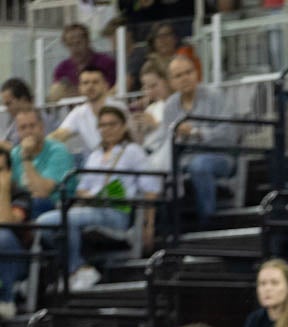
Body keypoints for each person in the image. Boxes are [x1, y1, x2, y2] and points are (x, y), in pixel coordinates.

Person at [34, 103, 156, 294]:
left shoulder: (133, 151)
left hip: (117, 211)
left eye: (112, 124)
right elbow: (82, 188)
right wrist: (88, 196)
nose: (107, 129)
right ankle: (79, 267)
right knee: (47, 224)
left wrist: (149, 225)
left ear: (123, 126)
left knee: (57, 220)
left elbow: (151, 189)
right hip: (91, 207)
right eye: (103, 125)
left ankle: (76, 269)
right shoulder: (95, 155)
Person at [159, 54, 237, 223]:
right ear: (171, 82)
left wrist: (197, 133)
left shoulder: (215, 96)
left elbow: (229, 134)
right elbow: (164, 140)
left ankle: (207, 221)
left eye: (188, 72)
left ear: (196, 73)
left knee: (199, 165)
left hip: (219, 156)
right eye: (178, 76)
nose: (185, 78)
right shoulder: (170, 106)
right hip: (182, 159)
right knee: (157, 170)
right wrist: (176, 136)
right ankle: (167, 226)